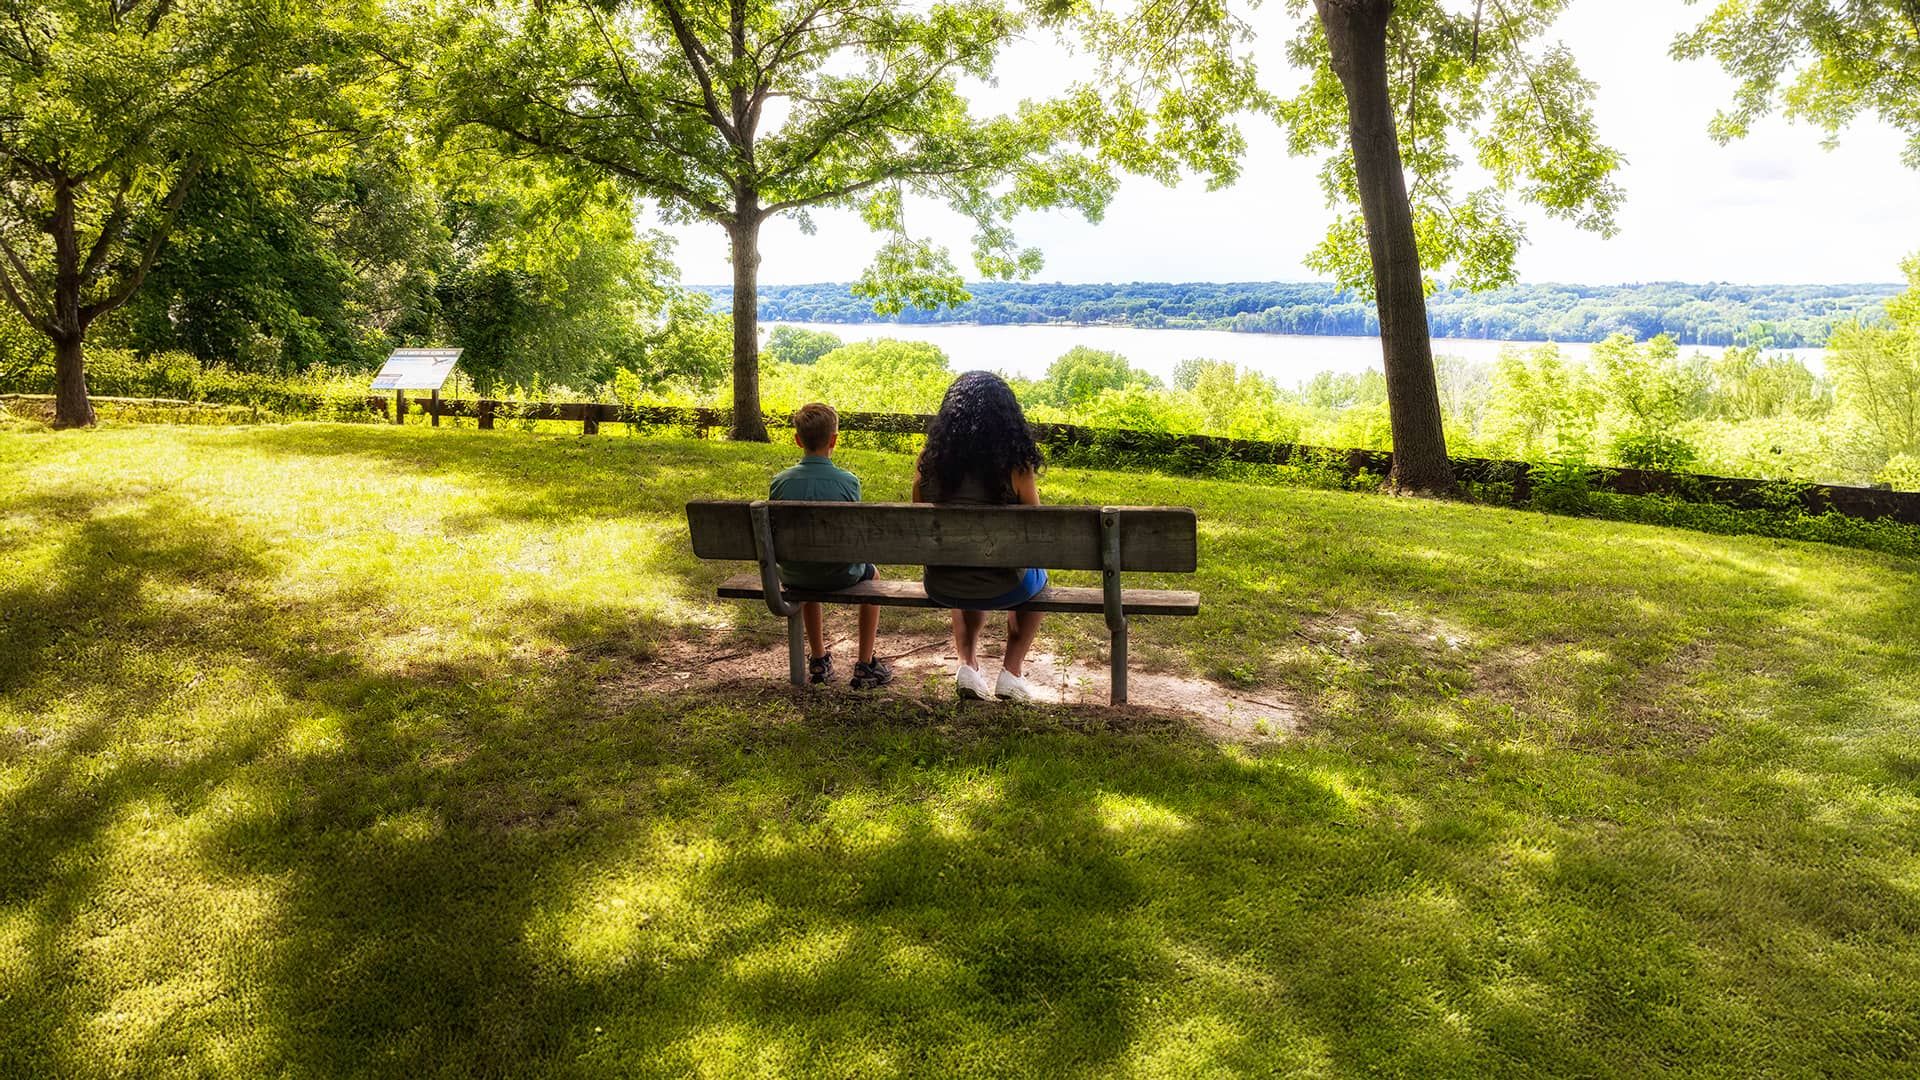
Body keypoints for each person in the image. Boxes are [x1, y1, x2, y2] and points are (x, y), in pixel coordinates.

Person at [912, 371, 1048, 702]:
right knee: (1039, 578)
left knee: (961, 564)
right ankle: (1011, 673)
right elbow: (1036, 528)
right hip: (1006, 586)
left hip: (945, 582)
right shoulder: (1016, 467)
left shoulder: (929, 464)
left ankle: (968, 667)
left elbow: (919, 519)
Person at [769, 403, 892, 689]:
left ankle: (819, 658)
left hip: (793, 573)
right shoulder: (848, 482)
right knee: (872, 577)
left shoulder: (780, 482)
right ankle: (864, 664)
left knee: (808, 562)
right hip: (841, 574)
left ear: (798, 440)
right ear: (834, 440)